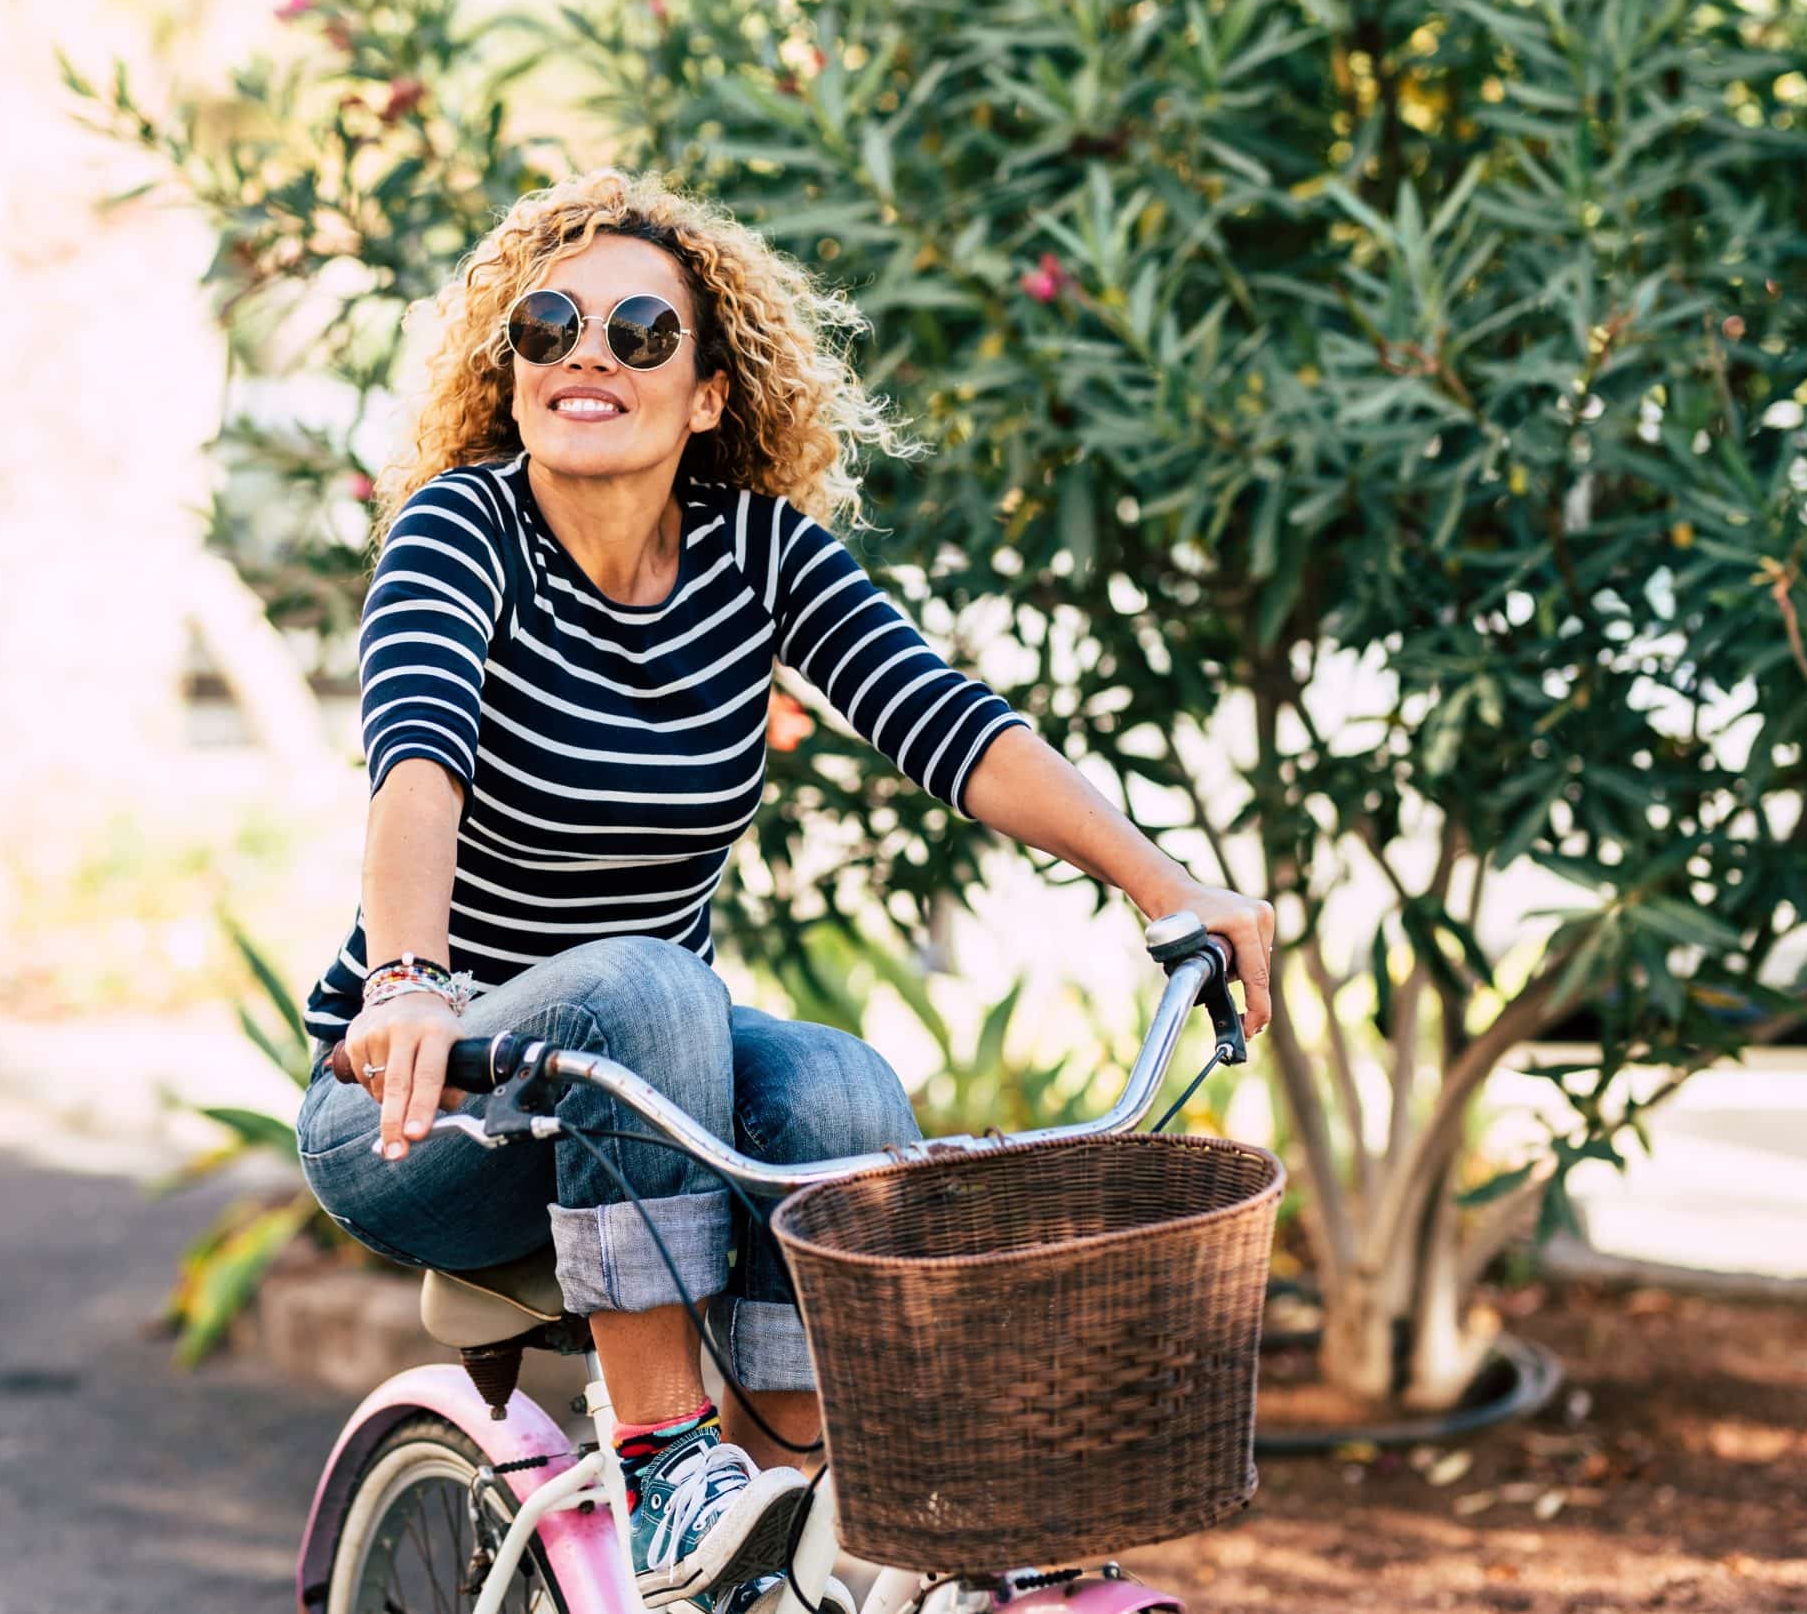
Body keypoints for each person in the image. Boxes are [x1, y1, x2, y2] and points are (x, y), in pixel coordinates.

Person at [296, 169, 1274, 1609]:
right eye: (550, 323)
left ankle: (783, 1529)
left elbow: (946, 719)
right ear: (508, 374)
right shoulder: (462, 536)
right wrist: (409, 983)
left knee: (837, 1090)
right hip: (425, 1101)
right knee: (648, 981)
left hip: (640, 1082)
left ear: (704, 395)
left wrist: (1167, 885)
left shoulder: (758, 559)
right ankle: (661, 1456)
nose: (589, 352)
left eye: (641, 333)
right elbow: (417, 760)